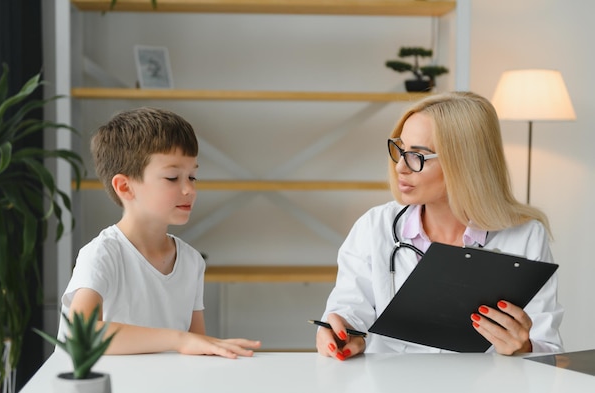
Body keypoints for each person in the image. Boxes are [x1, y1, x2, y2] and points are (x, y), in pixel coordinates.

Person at [316, 91, 563, 360]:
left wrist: (524, 348)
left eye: (418, 156)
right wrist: (342, 330)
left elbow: (547, 347)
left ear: (465, 163)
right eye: (400, 150)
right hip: (391, 391)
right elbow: (349, 306)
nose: (400, 167)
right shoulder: (375, 226)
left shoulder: (525, 236)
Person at [57, 107, 261, 359]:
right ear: (125, 186)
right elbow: (82, 335)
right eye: (173, 177)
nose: (189, 189)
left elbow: (195, 352)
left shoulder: (191, 261)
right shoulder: (102, 254)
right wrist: (178, 339)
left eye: (193, 177)